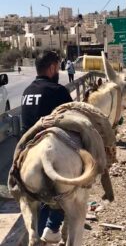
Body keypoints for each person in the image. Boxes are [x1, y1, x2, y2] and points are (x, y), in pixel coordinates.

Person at [21, 51, 73, 243]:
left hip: (26, 151)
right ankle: (52, 225)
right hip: (48, 149)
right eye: (58, 67)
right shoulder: (57, 91)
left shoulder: (27, 92)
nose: (58, 71)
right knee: (71, 183)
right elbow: (72, 123)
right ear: (52, 67)